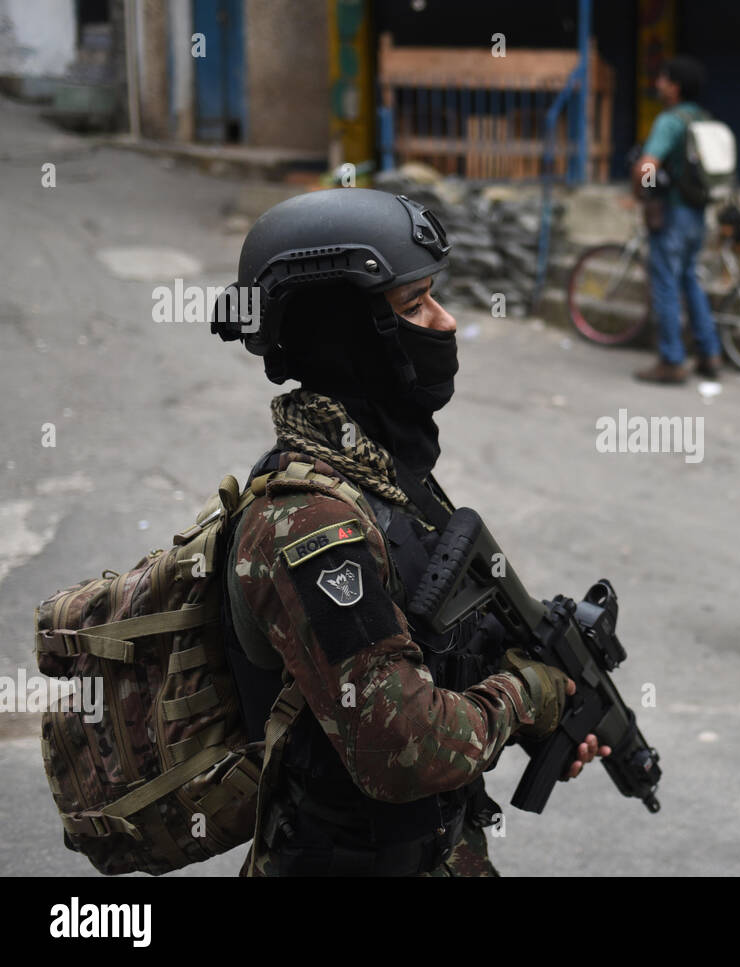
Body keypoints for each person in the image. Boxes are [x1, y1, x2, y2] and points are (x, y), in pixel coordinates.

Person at [214, 188, 609, 876]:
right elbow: (405, 746)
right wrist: (529, 695)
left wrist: (553, 710)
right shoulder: (310, 520)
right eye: (414, 304)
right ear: (347, 331)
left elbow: (430, 655)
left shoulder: (382, 475)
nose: (447, 321)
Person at [631, 55, 723, 383]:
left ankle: (672, 360)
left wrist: (643, 192)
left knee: (666, 284)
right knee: (689, 280)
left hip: (672, 213)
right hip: (697, 214)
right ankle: (709, 354)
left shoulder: (670, 121)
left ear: (675, 86)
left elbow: (647, 168)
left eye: (663, 79)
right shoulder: (703, 119)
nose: (658, 85)